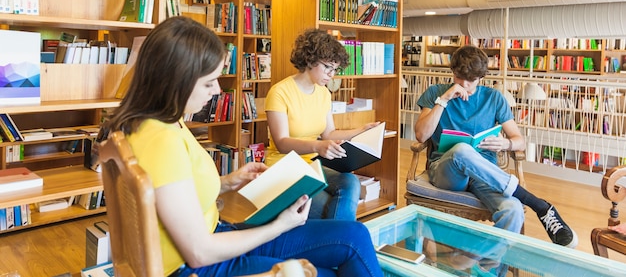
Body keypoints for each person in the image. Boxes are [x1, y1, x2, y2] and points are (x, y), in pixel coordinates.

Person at [97, 17, 383, 277]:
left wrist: (226, 182)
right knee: (338, 260)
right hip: (206, 262)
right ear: (177, 81)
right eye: (209, 82)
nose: (218, 91)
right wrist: (278, 226)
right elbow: (199, 252)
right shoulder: (162, 140)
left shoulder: (160, 123)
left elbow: (176, 192)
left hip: (215, 237)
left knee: (354, 236)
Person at [414, 45, 578, 249]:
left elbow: (519, 140)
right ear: (453, 72)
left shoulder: (494, 98)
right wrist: (444, 100)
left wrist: (506, 143)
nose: (464, 84)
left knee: (513, 211)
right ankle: (538, 204)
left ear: (481, 77)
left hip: (484, 175)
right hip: (446, 172)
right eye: (459, 78)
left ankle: (481, 266)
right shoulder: (436, 93)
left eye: (471, 80)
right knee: (462, 151)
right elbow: (421, 135)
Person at [265, 28, 379, 220]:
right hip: (283, 166)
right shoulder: (279, 92)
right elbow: (282, 143)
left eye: (335, 69)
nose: (331, 75)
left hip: (313, 164)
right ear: (310, 60)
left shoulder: (323, 93)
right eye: (328, 67)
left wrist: (360, 131)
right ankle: (340, 240)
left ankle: (338, 241)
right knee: (328, 207)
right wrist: (318, 146)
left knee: (350, 182)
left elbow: (329, 134)